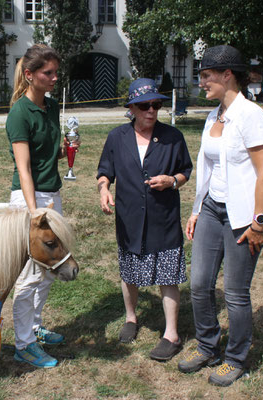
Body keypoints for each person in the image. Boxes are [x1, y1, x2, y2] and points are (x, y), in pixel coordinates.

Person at [178, 45, 263, 387]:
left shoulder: (251, 116)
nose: (202, 82)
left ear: (227, 75)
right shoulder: (213, 116)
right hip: (212, 208)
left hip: (245, 216)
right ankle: (208, 345)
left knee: (235, 292)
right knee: (199, 284)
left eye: (206, 75)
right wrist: (195, 210)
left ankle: (235, 357)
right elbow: (206, 169)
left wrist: (258, 224)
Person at [97, 78, 193, 361]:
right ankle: (130, 318)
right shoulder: (117, 138)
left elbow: (186, 170)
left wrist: (172, 181)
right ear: (132, 108)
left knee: (168, 274)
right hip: (129, 218)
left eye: (156, 105)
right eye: (144, 105)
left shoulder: (173, 137)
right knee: (129, 272)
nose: (151, 110)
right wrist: (104, 188)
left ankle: (171, 334)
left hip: (163, 218)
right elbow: (105, 172)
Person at [6, 44, 79, 368]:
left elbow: (47, 156)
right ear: (29, 75)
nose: (54, 78)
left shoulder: (50, 108)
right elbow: (24, 168)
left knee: (50, 269)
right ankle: (23, 344)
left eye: (55, 73)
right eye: (47, 73)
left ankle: (34, 328)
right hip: (29, 200)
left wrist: (67, 151)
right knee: (27, 277)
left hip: (52, 195)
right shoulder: (19, 112)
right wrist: (34, 212)